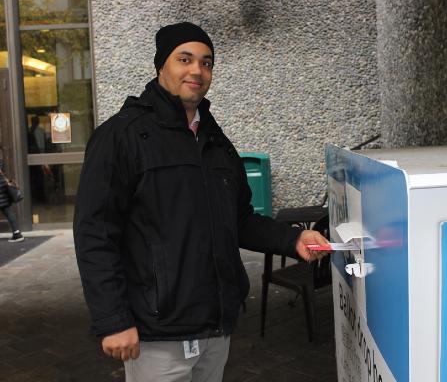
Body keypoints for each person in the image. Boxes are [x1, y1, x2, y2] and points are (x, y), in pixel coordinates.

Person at [73, 22, 329, 382]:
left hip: (215, 325)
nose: (197, 70)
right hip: (158, 331)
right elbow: (94, 233)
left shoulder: (215, 139)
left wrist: (293, 240)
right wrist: (113, 319)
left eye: (206, 62)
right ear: (162, 65)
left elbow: (238, 220)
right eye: (185, 59)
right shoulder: (121, 136)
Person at [0, 168, 24, 242]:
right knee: (8, 211)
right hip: (2, 184)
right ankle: (17, 233)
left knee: (8, 211)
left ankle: (17, 234)